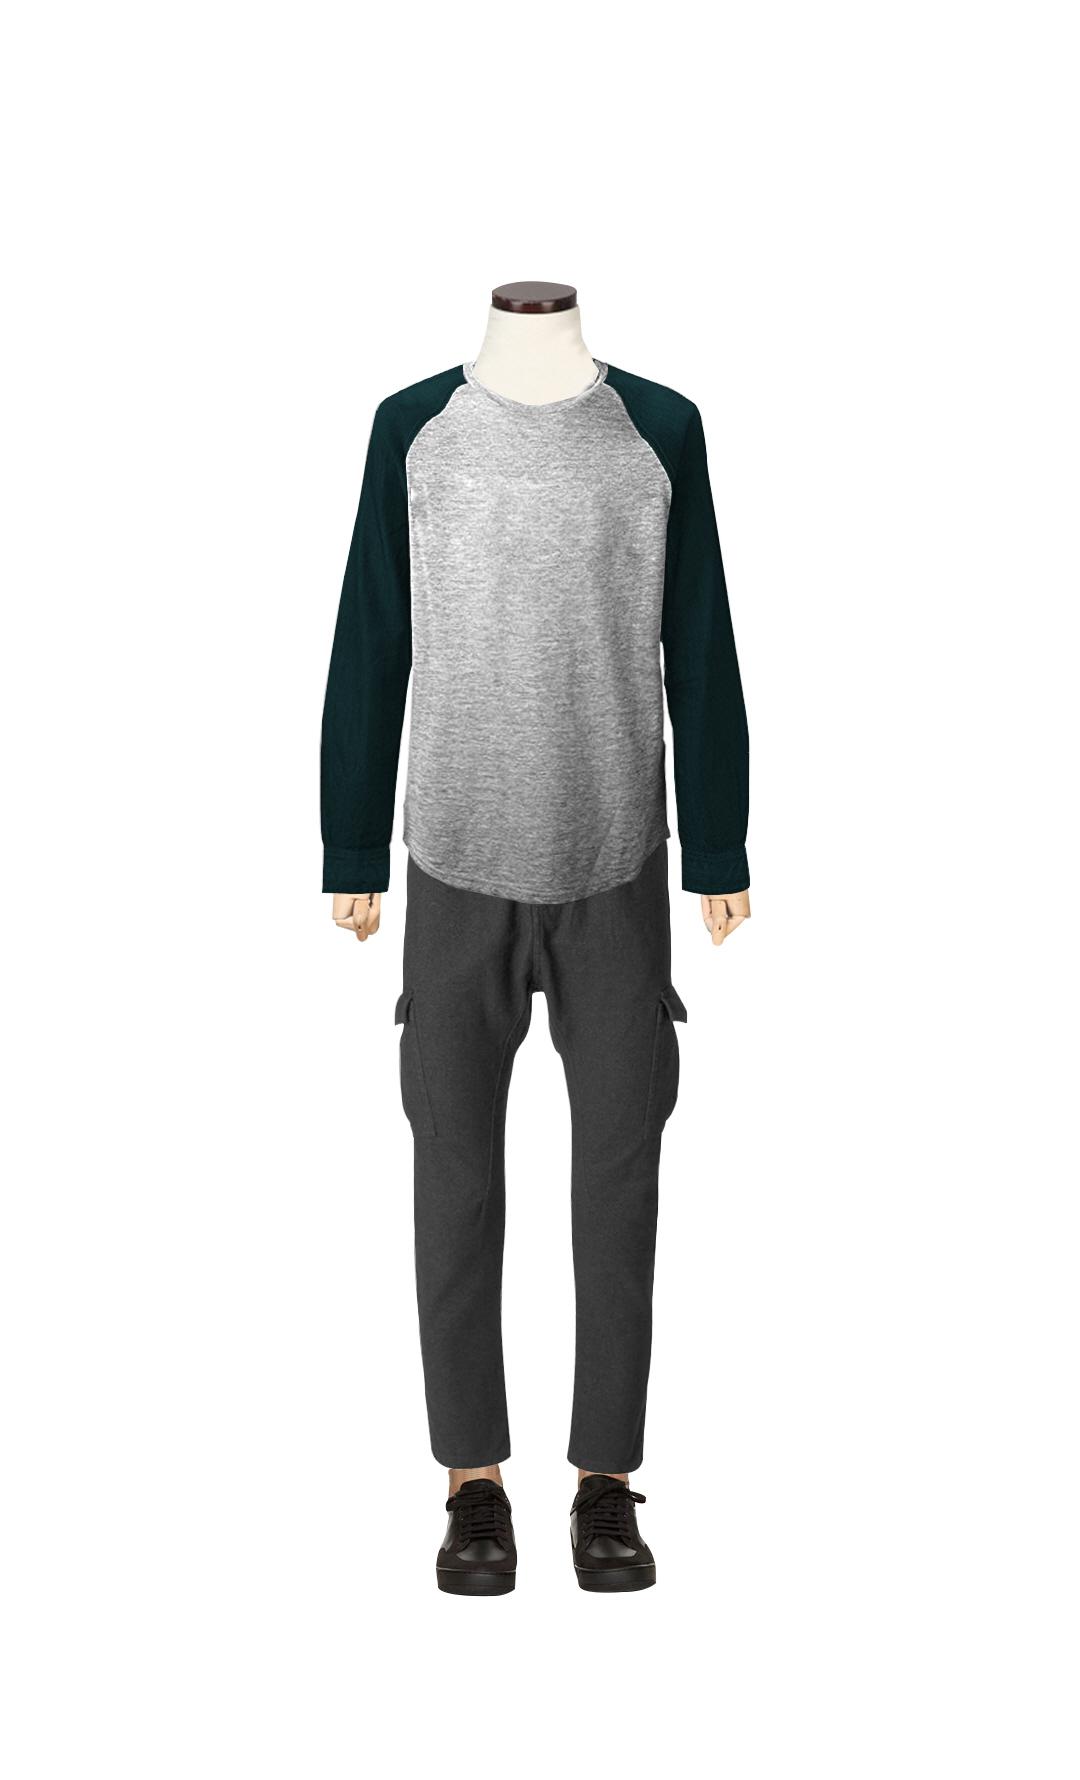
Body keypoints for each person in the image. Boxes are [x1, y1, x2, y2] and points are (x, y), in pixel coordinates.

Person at [321, 283, 750, 1594]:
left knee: (618, 1181)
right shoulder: (414, 429)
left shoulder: (660, 430)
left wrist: (719, 844)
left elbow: (700, 638)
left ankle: (606, 1481)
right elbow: (373, 634)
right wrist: (352, 845)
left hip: (615, 855)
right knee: (455, 1177)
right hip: (456, 855)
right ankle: (473, 1482)